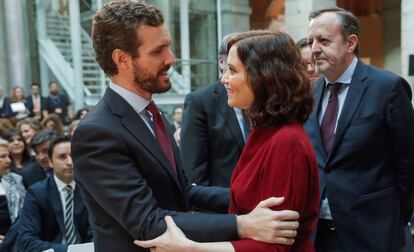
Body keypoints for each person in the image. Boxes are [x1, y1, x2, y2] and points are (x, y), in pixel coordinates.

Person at [72, 2, 299, 252]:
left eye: (168, 46)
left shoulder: (150, 115)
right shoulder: (97, 132)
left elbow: (183, 192)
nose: (171, 58)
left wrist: (258, 198)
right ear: (122, 59)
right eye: (158, 51)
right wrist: (242, 224)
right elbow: (150, 224)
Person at [135, 30, 319, 252]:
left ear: (263, 76)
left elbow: (275, 246)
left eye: (232, 70)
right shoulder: (265, 132)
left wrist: (189, 248)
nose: (223, 79)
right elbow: (241, 198)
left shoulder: (285, 141)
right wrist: (185, 191)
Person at [304, 8, 414, 252]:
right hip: (317, 236)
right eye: (311, 41)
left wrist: (395, 221)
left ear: (350, 42)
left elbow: (408, 164)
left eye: (323, 40)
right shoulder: (310, 93)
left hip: (371, 234)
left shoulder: (387, 88)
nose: (313, 49)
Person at [180, 33, 248, 187]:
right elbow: (193, 171)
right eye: (233, 67)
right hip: (222, 206)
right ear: (221, 61)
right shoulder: (200, 102)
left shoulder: (262, 100)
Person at [16, 136, 92, 252]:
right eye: (62, 157)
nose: (70, 162)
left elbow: (98, 231)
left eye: (73, 156)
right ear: (50, 162)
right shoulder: (37, 192)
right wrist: (71, 250)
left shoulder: (89, 189)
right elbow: (27, 240)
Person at [0, 138, 26, 245]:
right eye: (2, 157)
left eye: (8, 156)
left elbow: (25, 211)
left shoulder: (16, 179)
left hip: (16, 238)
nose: (9, 161)